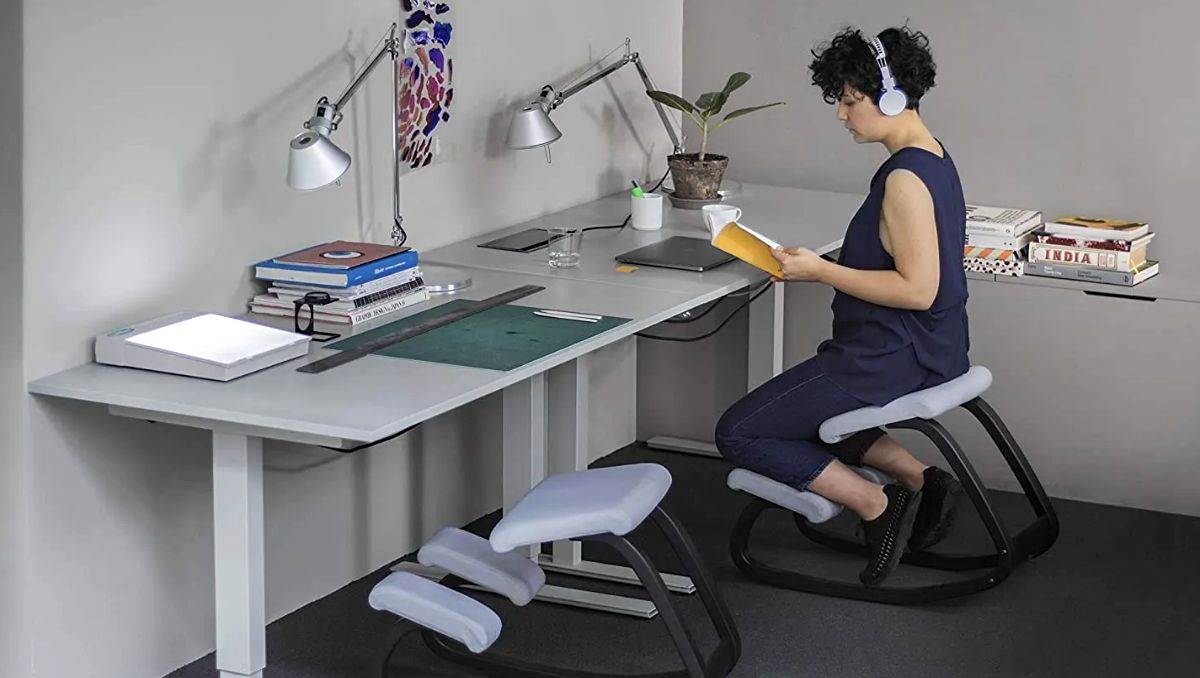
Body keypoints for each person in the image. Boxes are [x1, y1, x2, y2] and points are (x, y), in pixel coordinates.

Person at [715, 25, 969, 586]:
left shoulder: (904, 178)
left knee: (739, 431)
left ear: (893, 98)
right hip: (928, 346)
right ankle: (918, 478)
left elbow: (917, 289)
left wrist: (820, 270)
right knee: (809, 415)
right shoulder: (934, 157)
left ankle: (876, 505)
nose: (842, 115)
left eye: (851, 101)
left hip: (886, 356)